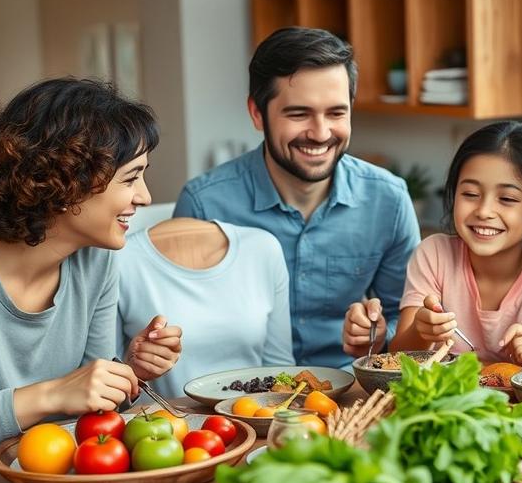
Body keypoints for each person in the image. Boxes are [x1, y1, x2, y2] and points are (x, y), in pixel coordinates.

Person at [0, 78, 183, 464]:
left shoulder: (96, 261)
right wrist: (52, 394)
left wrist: (126, 373)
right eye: (131, 178)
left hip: (51, 480)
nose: (145, 197)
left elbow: (89, 423)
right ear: (68, 181)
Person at [174, 27, 420, 368]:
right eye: (299, 114)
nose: (320, 133)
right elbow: (185, 329)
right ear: (257, 114)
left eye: (336, 113)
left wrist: (381, 336)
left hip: (349, 392)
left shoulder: (388, 200)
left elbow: (403, 318)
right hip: (239, 398)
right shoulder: (204, 204)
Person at [354, 121, 522, 366]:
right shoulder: (433, 255)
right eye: (470, 194)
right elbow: (398, 358)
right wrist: (421, 332)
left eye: (507, 199)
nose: (484, 211)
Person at [116, 217, 293, 397]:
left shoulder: (262, 248)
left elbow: (280, 367)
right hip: (167, 422)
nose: (143, 197)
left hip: (254, 416)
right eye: (127, 185)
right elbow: (106, 379)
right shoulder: (119, 259)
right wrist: (134, 369)